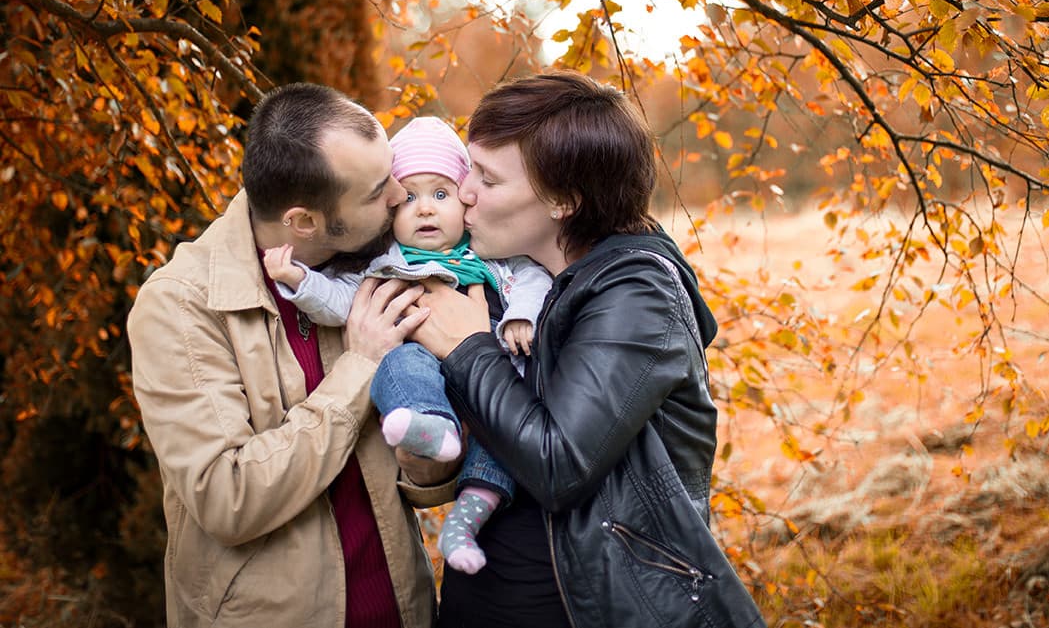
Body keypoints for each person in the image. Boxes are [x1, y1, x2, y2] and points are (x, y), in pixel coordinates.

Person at [407, 71, 766, 628]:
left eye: (488, 179)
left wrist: (467, 349)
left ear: (564, 200)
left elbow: (559, 463)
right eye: (467, 169)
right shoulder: (520, 281)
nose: (464, 193)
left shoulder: (636, 292)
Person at [127, 83, 460, 628]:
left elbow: (423, 477)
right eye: (378, 190)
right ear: (304, 221)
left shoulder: (366, 264)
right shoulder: (181, 306)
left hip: (405, 609)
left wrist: (433, 452)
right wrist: (361, 368)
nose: (402, 194)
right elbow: (226, 497)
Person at [262, 115, 553, 574]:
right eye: (409, 198)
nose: (425, 209)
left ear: (464, 201)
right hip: (428, 376)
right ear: (391, 211)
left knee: (510, 424)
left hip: (493, 382)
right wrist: (301, 282)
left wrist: (519, 316)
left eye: (441, 194)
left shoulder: (491, 256)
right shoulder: (384, 265)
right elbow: (342, 302)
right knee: (402, 358)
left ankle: (469, 514)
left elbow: (534, 280)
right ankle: (428, 424)